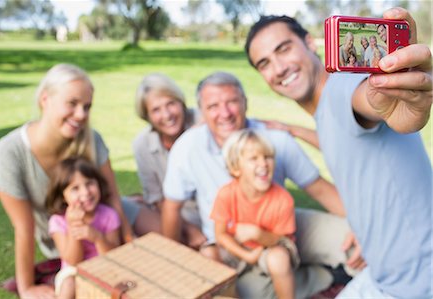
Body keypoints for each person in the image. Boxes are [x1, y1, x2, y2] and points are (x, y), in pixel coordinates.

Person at [245, 7, 432, 298]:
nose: (279, 67)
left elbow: (364, 98)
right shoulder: (326, 114)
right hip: (386, 272)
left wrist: (382, 97)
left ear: (310, 43)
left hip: (415, 282)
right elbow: (338, 138)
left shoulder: (341, 86)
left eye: (284, 49)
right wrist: (292, 130)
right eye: (265, 63)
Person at [162, 71, 364, 299]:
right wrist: (171, 264)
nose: (225, 113)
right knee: (234, 288)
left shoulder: (274, 138)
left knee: (361, 240)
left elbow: (318, 189)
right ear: (202, 112)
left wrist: (361, 226)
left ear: (245, 103)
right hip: (229, 248)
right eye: (213, 106)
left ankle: (355, 278)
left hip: (279, 229)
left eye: (232, 102)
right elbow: (172, 208)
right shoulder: (188, 147)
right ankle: (320, 277)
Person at [0, 63, 158, 298]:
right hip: (70, 229)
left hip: (107, 213)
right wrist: (27, 287)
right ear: (45, 99)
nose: (81, 115)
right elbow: (23, 226)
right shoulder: (10, 152)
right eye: (72, 104)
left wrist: (130, 242)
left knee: (164, 234)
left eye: (87, 106)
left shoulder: (92, 138)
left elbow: (111, 197)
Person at [211, 129, 299, 299]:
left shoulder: (283, 199)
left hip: (271, 247)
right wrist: (247, 255)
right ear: (236, 168)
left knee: (279, 258)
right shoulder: (226, 194)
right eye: (254, 158)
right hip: (240, 249)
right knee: (208, 254)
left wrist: (256, 234)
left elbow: (280, 240)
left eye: (268, 157)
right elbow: (220, 234)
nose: (264, 163)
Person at [133, 73, 204, 247]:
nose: (166, 115)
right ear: (147, 116)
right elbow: (157, 198)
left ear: (181, 103)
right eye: (156, 110)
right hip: (177, 214)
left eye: (171, 104)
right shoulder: (142, 144)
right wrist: (188, 229)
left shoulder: (203, 121)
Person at [46, 157, 121, 299]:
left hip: (105, 269)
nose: (85, 192)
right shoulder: (58, 222)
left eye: (89, 183)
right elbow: (73, 261)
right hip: (73, 272)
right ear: (63, 196)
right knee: (69, 284)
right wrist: (73, 225)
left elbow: (113, 256)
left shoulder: (108, 215)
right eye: (75, 188)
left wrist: (98, 238)